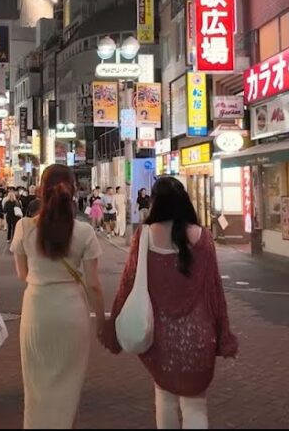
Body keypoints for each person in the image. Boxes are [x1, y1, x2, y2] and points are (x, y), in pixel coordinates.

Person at [104, 177, 238, 429]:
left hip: (159, 335)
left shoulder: (145, 236)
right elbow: (215, 291)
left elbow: (128, 281)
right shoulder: (203, 237)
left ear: (156, 202)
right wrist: (223, 334)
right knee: (195, 405)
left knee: (164, 397)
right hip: (199, 334)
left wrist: (113, 324)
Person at [11, 164, 108, 429]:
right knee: (70, 388)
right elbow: (94, 285)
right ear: (74, 191)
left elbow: (22, 274)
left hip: (36, 310)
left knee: (36, 389)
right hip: (72, 312)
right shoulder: (85, 232)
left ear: (40, 190)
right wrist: (101, 322)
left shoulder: (23, 228)